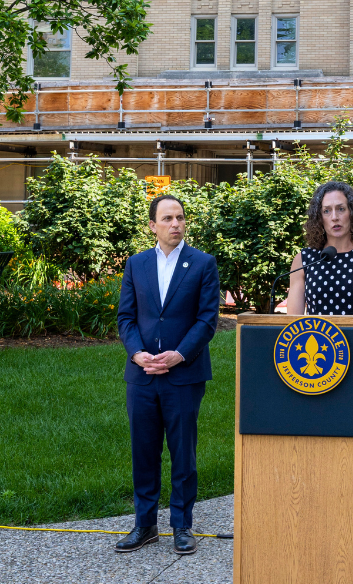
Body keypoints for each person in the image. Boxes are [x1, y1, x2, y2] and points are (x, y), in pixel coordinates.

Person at [115, 194, 219, 555]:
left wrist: (178, 355)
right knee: (143, 452)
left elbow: (207, 319)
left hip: (183, 375)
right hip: (142, 375)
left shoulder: (203, 264)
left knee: (182, 453)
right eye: (167, 218)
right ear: (152, 226)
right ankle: (144, 525)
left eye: (180, 217)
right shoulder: (136, 264)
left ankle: (181, 525)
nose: (176, 224)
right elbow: (126, 317)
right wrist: (137, 353)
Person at [286, 181, 353, 316]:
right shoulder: (304, 259)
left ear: (352, 213)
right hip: (315, 338)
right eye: (326, 211)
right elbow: (293, 322)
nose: (334, 217)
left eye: (341, 209)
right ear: (319, 218)